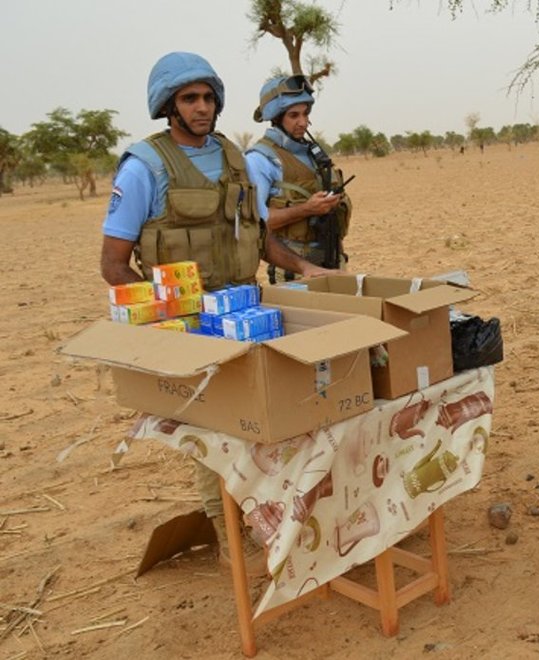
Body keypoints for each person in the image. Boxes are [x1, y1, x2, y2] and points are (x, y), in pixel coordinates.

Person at [100, 52, 333, 573]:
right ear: (168, 105)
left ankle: (259, 521)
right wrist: (167, 323)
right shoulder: (145, 167)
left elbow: (256, 237)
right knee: (213, 435)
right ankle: (226, 534)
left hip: (243, 312)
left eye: (208, 97)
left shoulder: (232, 157)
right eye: (190, 98)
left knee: (261, 424)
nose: (202, 107)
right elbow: (114, 265)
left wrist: (305, 270)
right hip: (188, 326)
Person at [246, 74, 352, 283]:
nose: (303, 122)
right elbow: (256, 223)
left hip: (333, 260)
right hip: (293, 272)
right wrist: (307, 209)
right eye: (294, 115)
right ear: (276, 118)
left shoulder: (312, 152)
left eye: (305, 114)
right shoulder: (260, 160)